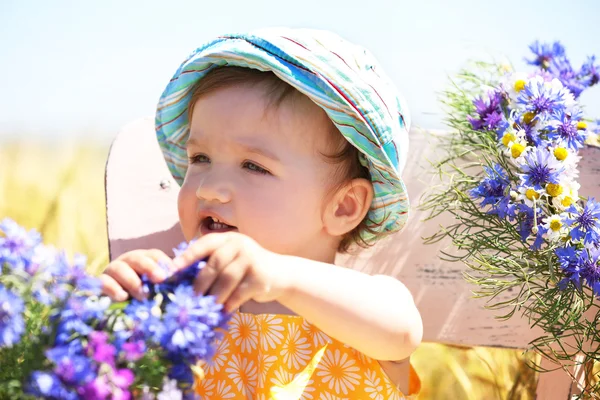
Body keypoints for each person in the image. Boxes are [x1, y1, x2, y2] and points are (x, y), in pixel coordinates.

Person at [100, 27, 423, 399]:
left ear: (343, 206)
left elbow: (403, 332)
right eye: (200, 158)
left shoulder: (361, 311)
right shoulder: (177, 315)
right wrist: (118, 317)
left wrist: (278, 274)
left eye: (253, 166)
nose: (207, 187)